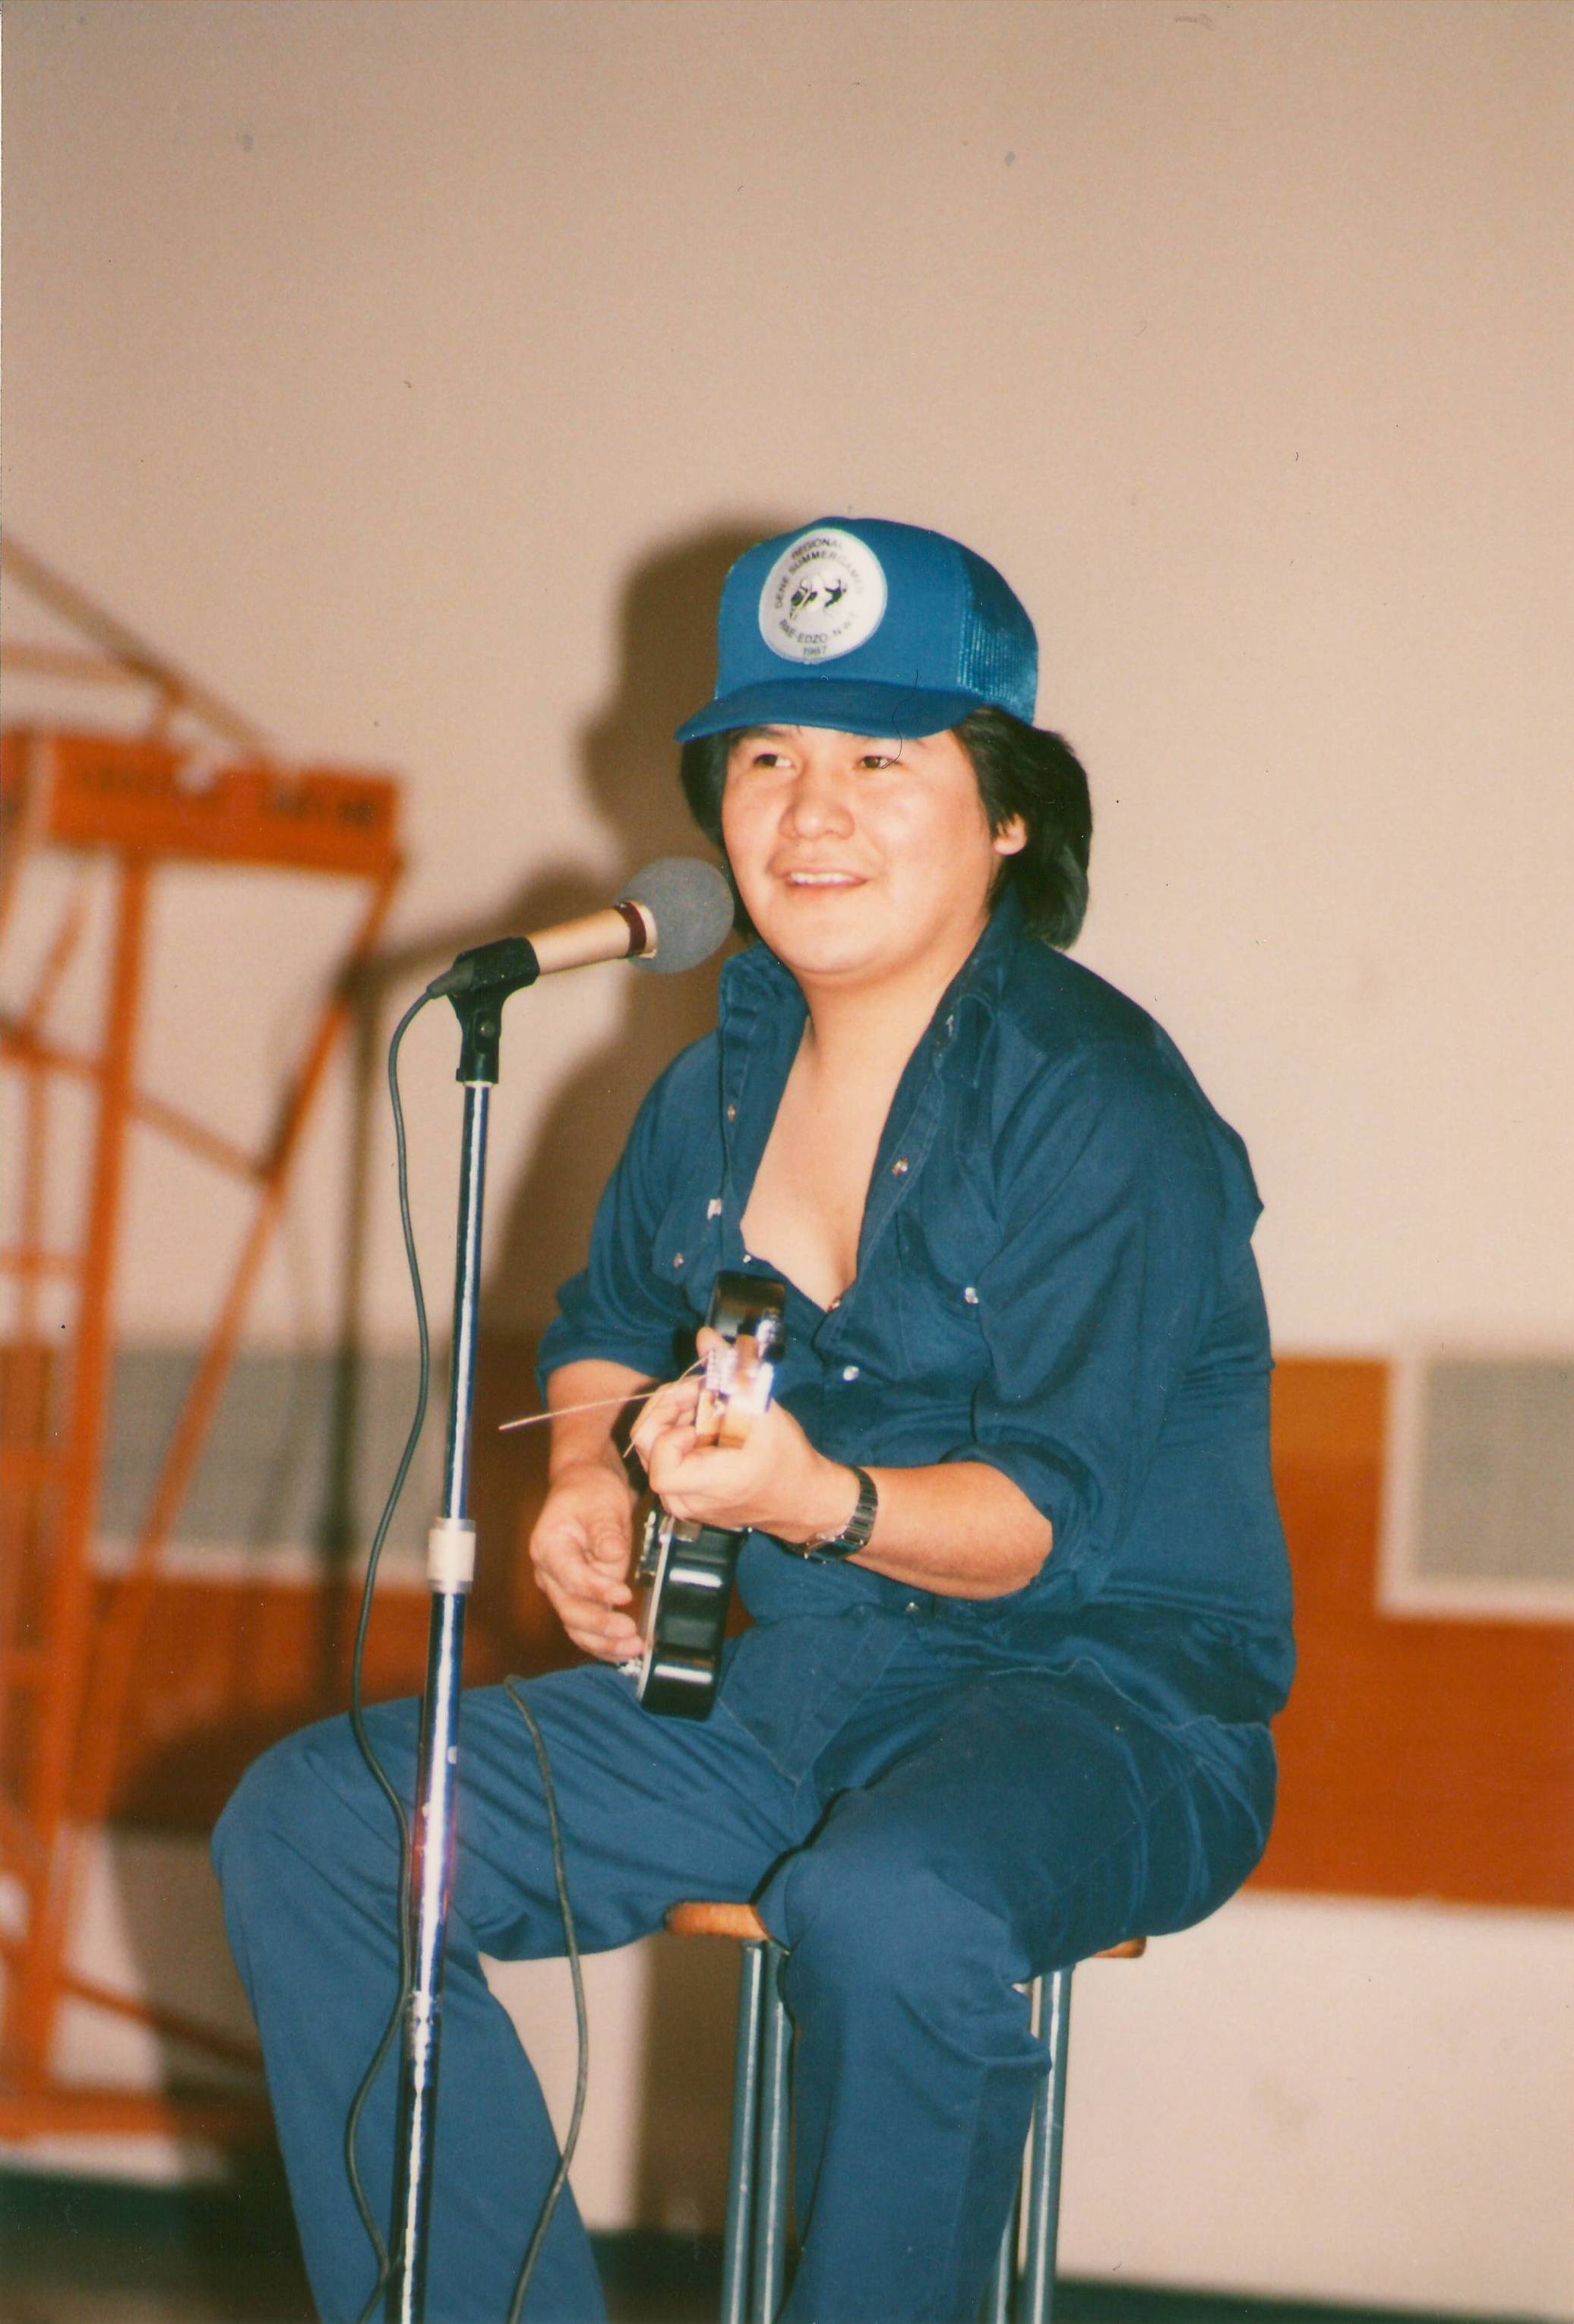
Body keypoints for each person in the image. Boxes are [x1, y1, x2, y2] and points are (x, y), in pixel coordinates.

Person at [213, 517, 1294, 2324]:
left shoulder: (1100, 1104)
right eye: (770, 760)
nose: (810, 813)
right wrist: (576, 1476)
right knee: (322, 1825)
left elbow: (1048, 1522)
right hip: (777, 1700)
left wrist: (813, 1501)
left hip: (1094, 1709)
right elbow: (610, 1319)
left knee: (884, 1909)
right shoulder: (713, 1077)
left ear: (1010, 811)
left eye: (884, 762)